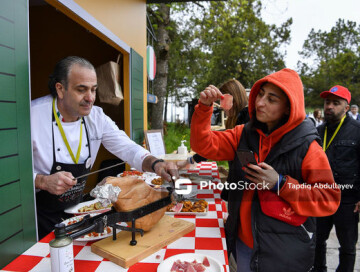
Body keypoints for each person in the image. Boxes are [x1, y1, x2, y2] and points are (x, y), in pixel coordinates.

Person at [190, 68, 341, 272]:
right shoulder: (244, 133)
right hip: (243, 245)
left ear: (289, 107)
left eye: (271, 99)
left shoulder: (307, 147)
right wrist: (204, 108)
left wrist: (280, 184)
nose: (260, 102)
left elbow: (328, 199)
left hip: (283, 255)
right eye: (260, 94)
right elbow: (203, 145)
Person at [31, 56, 177, 239]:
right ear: (60, 89)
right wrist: (42, 181)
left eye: (93, 90)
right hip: (39, 216)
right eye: (81, 90)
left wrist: (156, 163)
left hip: (78, 211)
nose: (90, 98)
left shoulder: (97, 117)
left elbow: (127, 148)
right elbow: (9, 170)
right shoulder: (31, 116)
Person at [314, 85, 360, 272]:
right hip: (320, 197)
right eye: (327, 102)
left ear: (346, 108)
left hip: (347, 199)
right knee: (317, 240)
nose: (329, 106)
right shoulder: (318, 131)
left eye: (335, 103)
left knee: (348, 246)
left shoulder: (357, 131)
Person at [187, 78, 249, 165]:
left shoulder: (247, 122)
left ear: (233, 100)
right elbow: (214, 143)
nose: (221, 107)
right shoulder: (236, 120)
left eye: (223, 101)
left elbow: (247, 163)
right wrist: (191, 160)